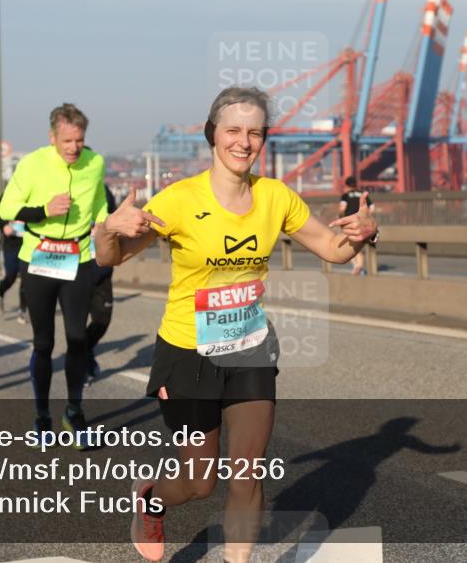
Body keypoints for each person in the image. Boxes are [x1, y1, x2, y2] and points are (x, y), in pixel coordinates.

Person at [94, 86, 378, 562]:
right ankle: (151, 498)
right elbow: (112, 258)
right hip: (188, 353)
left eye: (255, 132)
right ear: (213, 134)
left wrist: (365, 234)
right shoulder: (180, 199)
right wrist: (107, 229)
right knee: (199, 483)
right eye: (233, 131)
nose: (243, 142)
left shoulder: (275, 196)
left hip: (250, 348)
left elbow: (333, 248)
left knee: (247, 473)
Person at [0, 103, 109, 444]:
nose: (74, 148)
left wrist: (104, 226)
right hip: (39, 258)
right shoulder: (33, 164)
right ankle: (42, 416)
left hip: (78, 258)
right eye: (67, 141)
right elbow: (6, 208)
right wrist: (44, 210)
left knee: (77, 339)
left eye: (79, 140)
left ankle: (74, 412)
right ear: (52, 137)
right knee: (44, 343)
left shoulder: (95, 163)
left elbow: (100, 204)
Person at [85, 183, 118, 380]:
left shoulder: (104, 191)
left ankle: (85, 351)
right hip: (76, 270)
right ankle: (81, 368)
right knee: (76, 327)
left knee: (102, 321)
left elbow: (114, 219)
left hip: (101, 269)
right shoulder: (67, 187)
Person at [0, 189, 28, 324]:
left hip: (28, 242)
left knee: (26, 277)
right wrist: (4, 225)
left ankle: (22, 310)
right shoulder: (11, 190)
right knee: (11, 276)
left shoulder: (36, 190)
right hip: (12, 243)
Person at [339, 176, 375, 276]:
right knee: (358, 243)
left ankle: (357, 266)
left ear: (347, 185)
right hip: (361, 222)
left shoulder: (345, 196)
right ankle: (359, 267)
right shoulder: (362, 195)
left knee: (348, 244)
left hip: (349, 222)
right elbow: (372, 207)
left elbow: (342, 209)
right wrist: (366, 217)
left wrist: (340, 218)